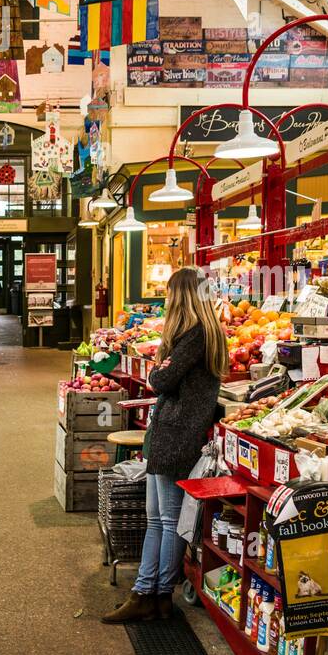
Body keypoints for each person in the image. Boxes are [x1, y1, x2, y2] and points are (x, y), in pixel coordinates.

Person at [102, 266, 226, 624]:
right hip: (172, 434)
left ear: (182, 296)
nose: (167, 299)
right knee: (157, 519)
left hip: (176, 436)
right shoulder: (203, 334)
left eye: (171, 293)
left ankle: (155, 593)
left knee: (167, 520)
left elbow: (160, 379)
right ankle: (147, 593)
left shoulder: (195, 335)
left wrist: (161, 364)